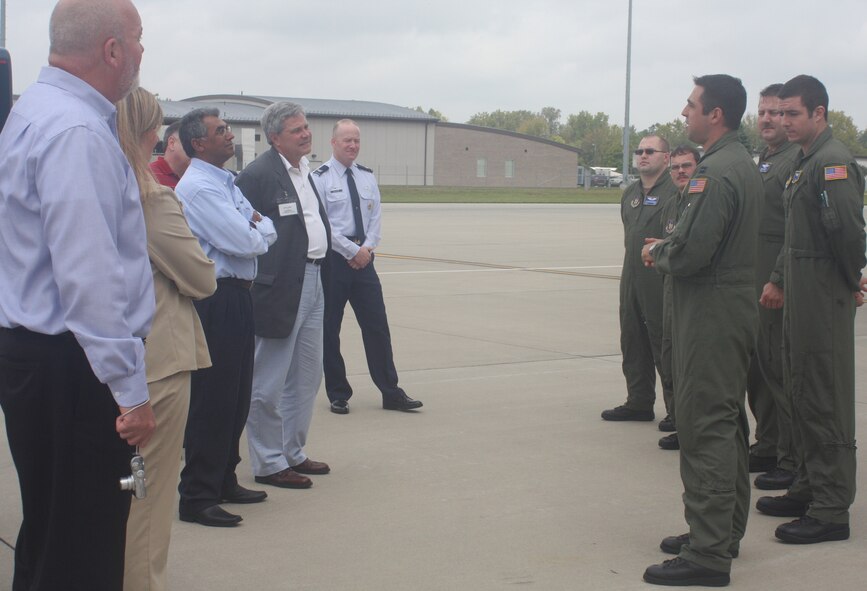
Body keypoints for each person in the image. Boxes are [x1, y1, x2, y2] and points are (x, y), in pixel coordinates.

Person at [0, 0, 156, 588]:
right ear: (112, 50)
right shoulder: (76, 131)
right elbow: (89, 279)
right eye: (137, 38)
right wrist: (131, 393)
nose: (142, 51)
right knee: (82, 551)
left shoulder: (35, 111)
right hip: (74, 368)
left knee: (51, 536)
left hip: (44, 360)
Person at [641, 74, 761, 587]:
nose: (684, 112)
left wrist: (658, 252)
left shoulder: (716, 172)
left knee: (705, 425)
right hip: (727, 309)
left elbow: (692, 251)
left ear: (715, 114)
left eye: (691, 105)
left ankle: (708, 553)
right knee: (726, 422)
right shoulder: (739, 163)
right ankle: (721, 532)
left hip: (710, 313)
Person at [756, 75, 865, 545]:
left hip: (822, 295)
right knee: (799, 390)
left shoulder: (832, 162)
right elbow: (793, 235)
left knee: (823, 396)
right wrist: (780, 277)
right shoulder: (804, 161)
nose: (783, 121)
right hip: (801, 292)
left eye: (792, 113)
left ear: (819, 112)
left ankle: (831, 507)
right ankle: (807, 485)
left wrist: (849, 280)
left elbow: (848, 232)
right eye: (779, 113)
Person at [117, 88, 216, 591]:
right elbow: (201, 277)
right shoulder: (150, 198)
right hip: (156, 360)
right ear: (149, 132)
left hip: (95, 359)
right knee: (147, 499)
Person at [176, 108, 277, 527]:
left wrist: (256, 227)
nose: (230, 135)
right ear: (199, 144)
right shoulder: (199, 188)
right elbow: (244, 240)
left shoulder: (226, 183)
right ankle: (197, 494)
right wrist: (255, 227)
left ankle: (224, 479)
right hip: (215, 299)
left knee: (236, 397)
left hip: (238, 297)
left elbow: (266, 229)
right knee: (213, 399)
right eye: (221, 131)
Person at [235, 102, 332, 490]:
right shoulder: (258, 175)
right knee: (268, 380)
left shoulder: (306, 169)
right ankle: (268, 461)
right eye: (296, 130)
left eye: (306, 127)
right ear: (275, 137)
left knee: (308, 375)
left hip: (314, 279)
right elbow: (239, 227)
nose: (306, 134)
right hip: (279, 287)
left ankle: (293, 450)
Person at [312, 119, 423, 414]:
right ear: (333, 142)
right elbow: (322, 225)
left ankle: (390, 392)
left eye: (356, 141)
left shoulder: (367, 177)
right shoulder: (320, 178)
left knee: (377, 327)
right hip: (335, 262)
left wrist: (367, 249)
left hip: (364, 259)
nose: (352, 145)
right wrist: (352, 251)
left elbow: (376, 218)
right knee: (329, 329)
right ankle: (338, 393)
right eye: (347, 140)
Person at [746, 84, 800, 488]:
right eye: (762, 112)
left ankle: (790, 457)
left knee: (780, 371)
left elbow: (795, 230)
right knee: (758, 368)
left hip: (776, 283)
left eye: (775, 112)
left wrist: (778, 279)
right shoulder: (764, 160)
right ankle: (768, 442)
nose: (767, 119)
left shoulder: (794, 160)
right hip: (754, 281)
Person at [601, 135, 676, 425]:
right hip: (631, 276)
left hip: (659, 278)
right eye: (639, 151)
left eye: (650, 151)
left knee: (663, 342)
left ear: (666, 157)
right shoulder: (631, 193)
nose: (643, 155)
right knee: (632, 339)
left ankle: (676, 411)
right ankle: (639, 401)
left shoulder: (674, 191)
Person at [656, 145, 700, 452]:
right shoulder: (673, 203)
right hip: (672, 288)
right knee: (670, 354)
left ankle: (692, 428)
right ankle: (678, 419)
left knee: (689, 362)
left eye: (687, 166)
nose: (680, 172)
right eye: (675, 167)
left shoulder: (699, 201)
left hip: (693, 293)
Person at [149, 120, 191, 189]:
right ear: (172, 143)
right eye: (191, 143)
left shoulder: (198, 177)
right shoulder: (148, 175)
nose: (198, 148)